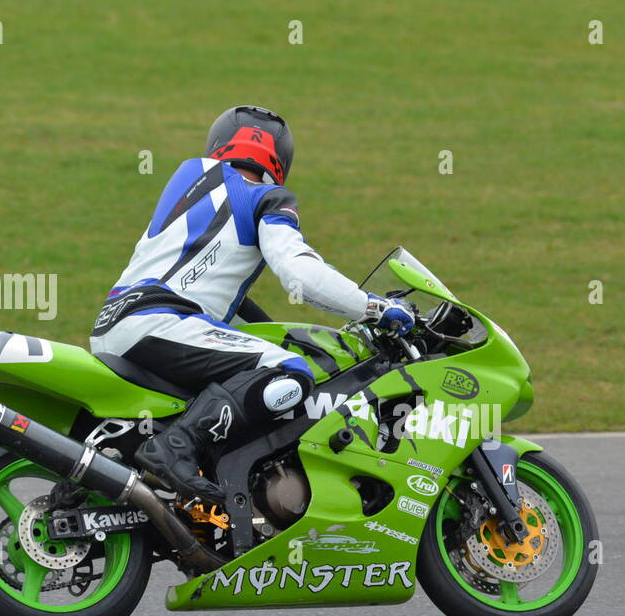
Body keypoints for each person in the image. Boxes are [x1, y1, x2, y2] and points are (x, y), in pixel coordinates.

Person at [89, 105, 413, 505]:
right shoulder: (266, 198)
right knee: (289, 371)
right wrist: (375, 308)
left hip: (116, 324)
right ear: (281, 161)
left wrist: (283, 331)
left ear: (219, 143)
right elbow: (302, 274)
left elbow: (219, 292)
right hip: (161, 321)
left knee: (257, 368)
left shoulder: (190, 181)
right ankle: (176, 449)